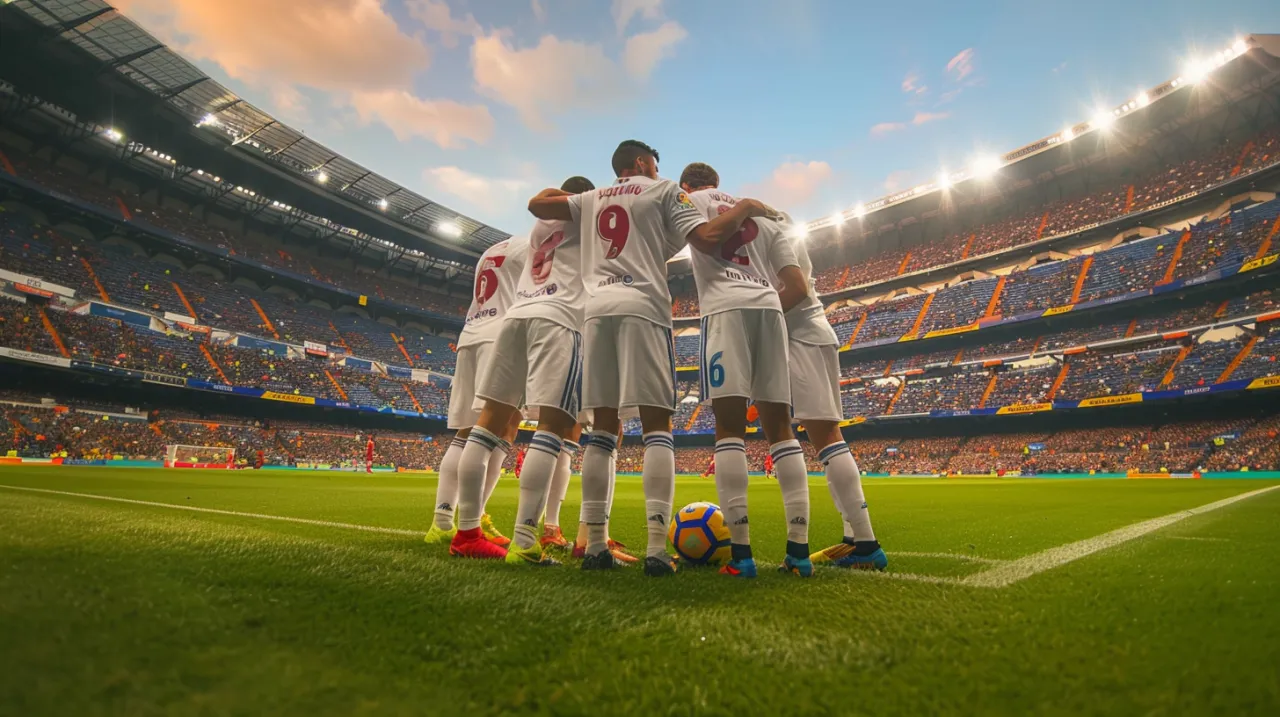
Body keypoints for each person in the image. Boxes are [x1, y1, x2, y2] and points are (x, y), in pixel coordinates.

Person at [529, 140, 773, 576]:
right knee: (657, 427)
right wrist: (746, 207)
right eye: (656, 165)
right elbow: (707, 237)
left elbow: (537, 203)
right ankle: (657, 550)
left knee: (602, 430)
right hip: (643, 307)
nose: (660, 172)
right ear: (642, 162)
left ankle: (595, 547)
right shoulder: (662, 190)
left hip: (596, 312)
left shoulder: (591, 198)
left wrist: (583, 196)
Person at [451, 176, 600, 564]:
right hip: (559, 318)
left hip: (516, 317)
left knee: (486, 423)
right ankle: (524, 541)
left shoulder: (541, 223)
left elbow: (538, 200)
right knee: (552, 427)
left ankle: (466, 533)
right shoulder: (591, 219)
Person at [679, 161, 813, 578]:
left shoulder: (690, 201)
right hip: (770, 310)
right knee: (781, 429)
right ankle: (799, 553)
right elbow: (797, 285)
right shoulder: (764, 216)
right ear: (719, 182)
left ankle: (742, 556)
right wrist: (765, 305)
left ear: (686, 184)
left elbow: (695, 241)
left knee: (729, 429)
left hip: (724, 309)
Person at [770, 212, 887, 571]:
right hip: (811, 334)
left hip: (802, 337)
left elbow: (795, 289)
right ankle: (855, 538)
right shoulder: (781, 227)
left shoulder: (769, 232)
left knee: (825, 436)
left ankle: (866, 544)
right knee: (825, 436)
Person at [426, 236, 529, 550]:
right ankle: (474, 519)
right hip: (503, 335)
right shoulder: (534, 245)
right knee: (503, 427)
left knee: (466, 431)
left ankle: (442, 521)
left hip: (471, 334)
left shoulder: (493, 249)